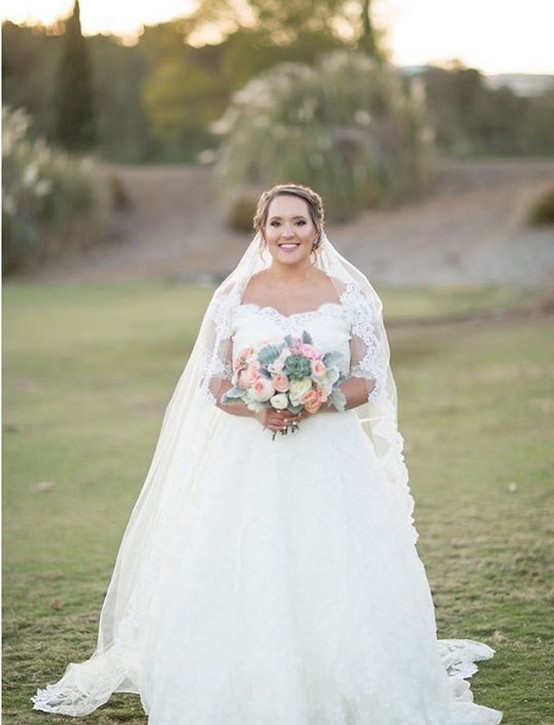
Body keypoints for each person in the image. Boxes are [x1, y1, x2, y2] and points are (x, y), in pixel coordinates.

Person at [33, 184, 502, 724]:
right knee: (249, 561)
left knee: (333, 561)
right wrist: (258, 407)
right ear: (261, 230)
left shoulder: (347, 295)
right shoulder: (234, 296)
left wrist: (316, 399)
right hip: (248, 456)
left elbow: (369, 377)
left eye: (298, 222)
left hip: (331, 455)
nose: (288, 233)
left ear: (317, 229)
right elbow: (214, 380)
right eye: (276, 223)